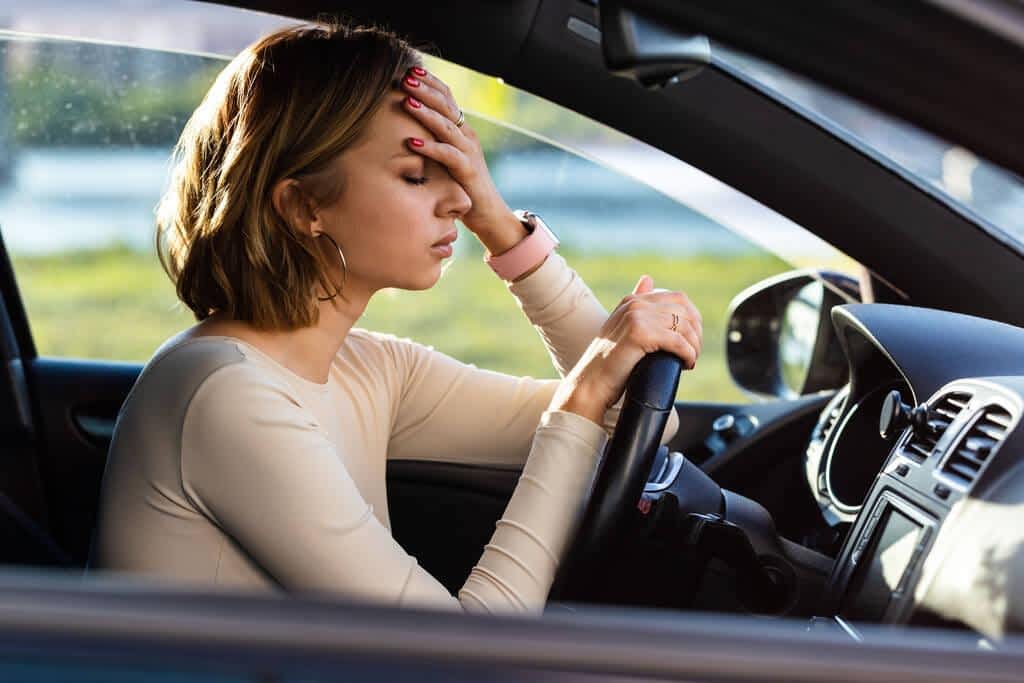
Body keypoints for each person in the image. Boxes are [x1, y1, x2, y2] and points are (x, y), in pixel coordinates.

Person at [90, 21, 702, 614]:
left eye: (460, 173)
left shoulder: (372, 368)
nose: (460, 200)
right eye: (416, 175)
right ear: (304, 205)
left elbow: (643, 419)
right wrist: (583, 391)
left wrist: (502, 227)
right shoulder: (226, 396)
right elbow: (459, 659)